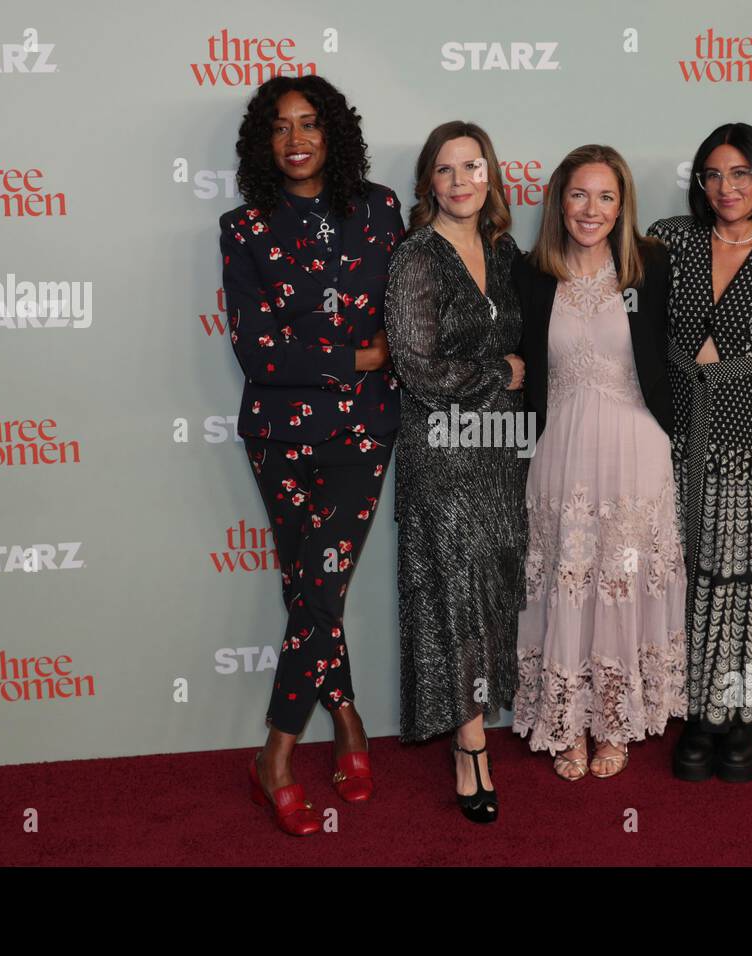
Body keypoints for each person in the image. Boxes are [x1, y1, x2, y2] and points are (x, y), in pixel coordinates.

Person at [218, 75, 403, 835]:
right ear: (264, 143)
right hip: (278, 435)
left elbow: (403, 319)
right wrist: (355, 359)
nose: (296, 140)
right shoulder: (242, 228)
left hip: (362, 434)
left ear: (334, 134)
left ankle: (277, 754)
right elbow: (258, 351)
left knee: (318, 588)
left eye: (310, 124)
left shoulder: (380, 209)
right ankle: (350, 717)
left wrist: (324, 352)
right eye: (280, 127)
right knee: (315, 590)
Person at [646, 121, 752, 784]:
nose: (726, 188)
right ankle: (697, 719)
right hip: (673, 438)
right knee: (686, 585)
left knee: (742, 591)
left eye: (740, 174)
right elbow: (634, 331)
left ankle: (740, 720)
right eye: (713, 174)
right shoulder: (668, 240)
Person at [509, 145, 688, 780]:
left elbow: (689, 347)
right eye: (580, 195)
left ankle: (615, 719)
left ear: (623, 205)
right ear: (560, 200)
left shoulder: (652, 265)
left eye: (606, 197)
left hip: (636, 450)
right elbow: (511, 350)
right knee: (568, 579)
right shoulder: (531, 273)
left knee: (622, 581)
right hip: (558, 452)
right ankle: (567, 720)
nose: (592, 209)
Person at [383, 121, 527, 823]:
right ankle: (470, 745)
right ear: (428, 183)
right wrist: (500, 371)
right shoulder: (416, 257)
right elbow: (414, 366)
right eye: (446, 169)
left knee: (495, 590)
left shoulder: (506, 253)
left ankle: (479, 725)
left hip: (504, 451)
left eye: (473, 166)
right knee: (456, 596)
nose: (461, 180)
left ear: (491, 176)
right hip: (441, 452)